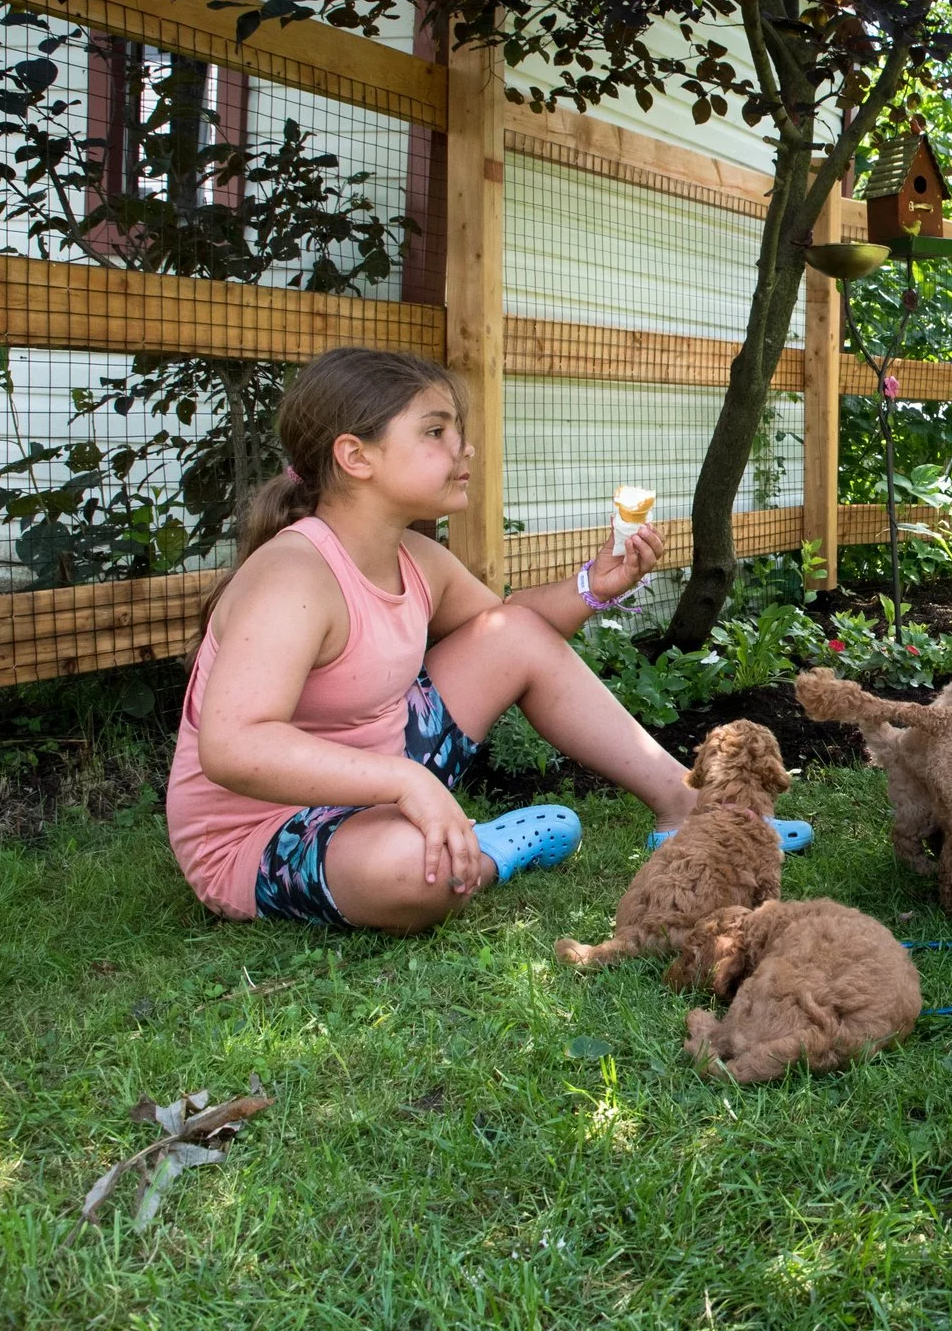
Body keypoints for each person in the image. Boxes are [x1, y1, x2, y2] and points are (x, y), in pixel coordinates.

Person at [167, 346, 698, 935]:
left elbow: (512, 634)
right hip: (260, 832)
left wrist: (594, 587)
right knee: (420, 874)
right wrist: (405, 781)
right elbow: (233, 747)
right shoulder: (292, 577)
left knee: (512, 632)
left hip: (379, 776)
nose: (463, 447)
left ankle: (688, 805)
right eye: (435, 431)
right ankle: (489, 849)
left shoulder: (415, 557)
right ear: (355, 456)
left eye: (457, 431)